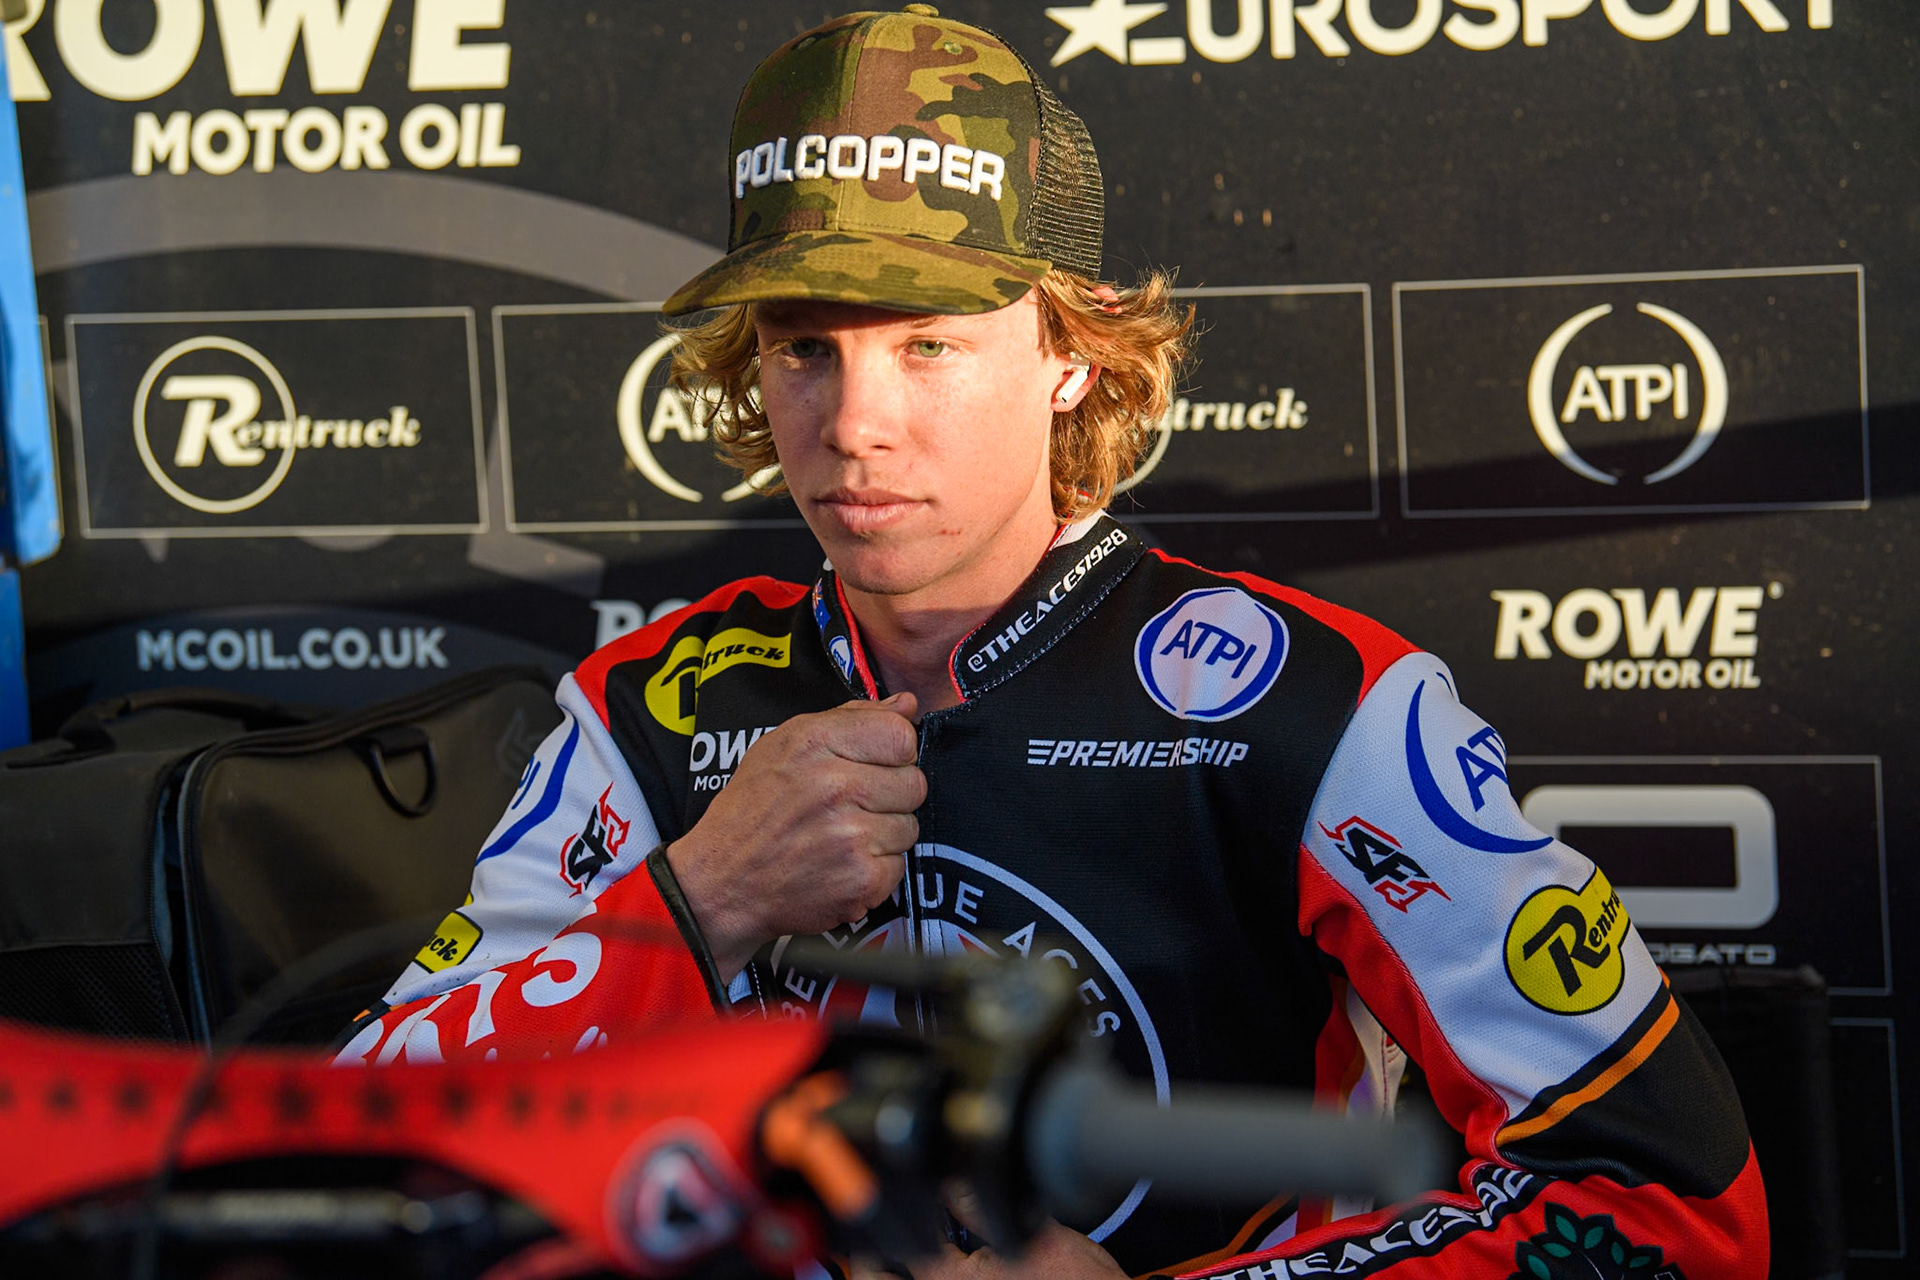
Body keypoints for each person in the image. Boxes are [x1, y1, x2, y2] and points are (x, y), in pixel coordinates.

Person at [338, 8, 1766, 1277]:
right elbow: (356, 1155)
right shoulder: (649, 710)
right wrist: (698, 901)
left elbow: (1662, 1204)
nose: (853, 422)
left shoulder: (1318, 708)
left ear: (1069, 348)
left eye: (929, 343)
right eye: (803, 346)